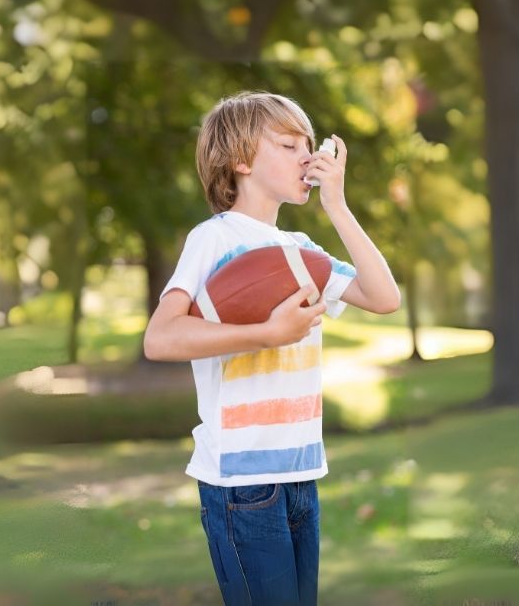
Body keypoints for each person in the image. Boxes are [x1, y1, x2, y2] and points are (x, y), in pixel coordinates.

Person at [143, 91, 400, 605]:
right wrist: (266, 333)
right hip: (242, 483)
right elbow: (161, 337)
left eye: (310, 143)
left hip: (301, 473)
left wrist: (338, 206)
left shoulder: (302, 251)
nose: (308, 155)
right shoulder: (213, 239)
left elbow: (384, 297)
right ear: (240, 160)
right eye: (288, 144)